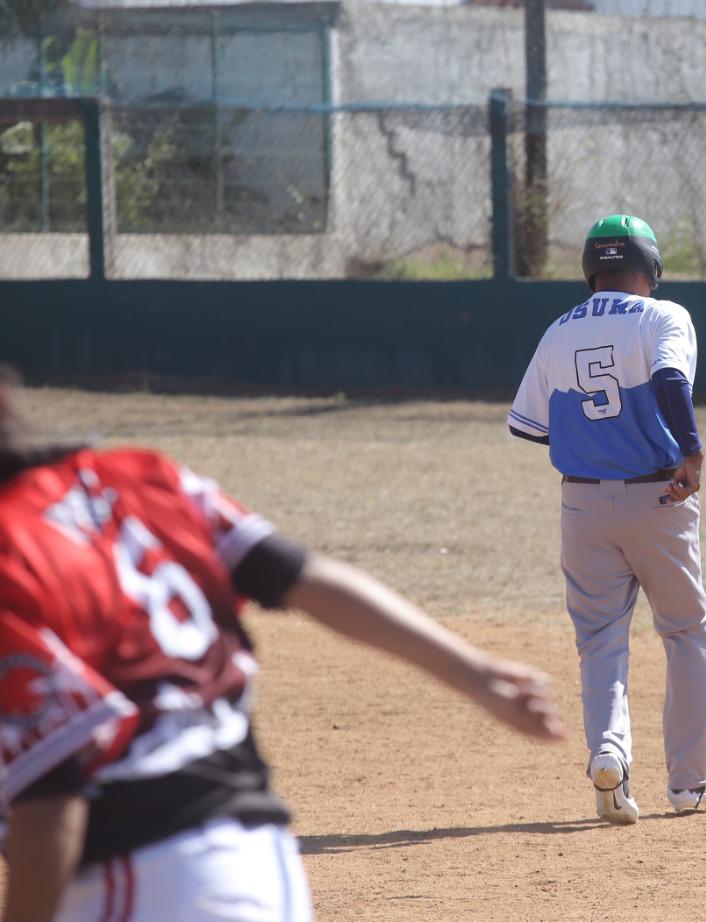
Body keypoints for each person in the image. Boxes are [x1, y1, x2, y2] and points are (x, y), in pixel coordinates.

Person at [0, 366, 564, 922]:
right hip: (256, 855)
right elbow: (305, 578)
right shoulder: (137, 477)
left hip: (140, 875)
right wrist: (475, 673)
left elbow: (51, 803)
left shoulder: (9, 548)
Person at [507, 214, 706, 826]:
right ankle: (688, 784)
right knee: (686, 632)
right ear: (650, 268)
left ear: (590, 270)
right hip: (658, 499)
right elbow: (670, 378)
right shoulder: (664, 315)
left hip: (581, 504)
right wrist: (691, 449)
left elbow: (528, 426)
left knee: (601, 639)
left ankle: (609, 753)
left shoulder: (556, 330)